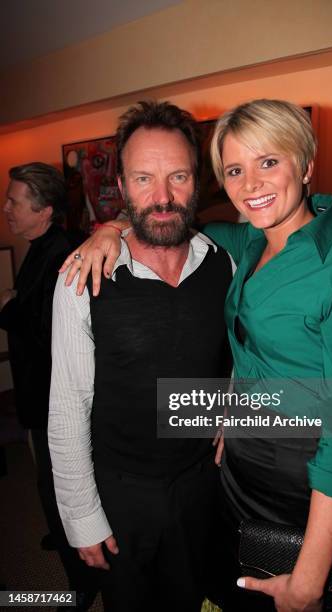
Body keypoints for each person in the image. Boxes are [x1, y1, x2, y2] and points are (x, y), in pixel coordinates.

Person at [62, 99, 332, 611]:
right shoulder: (243, 242)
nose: (252, 184)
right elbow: (163, 219)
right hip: (233, 477)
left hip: (304, 486)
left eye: (269, 162)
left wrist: (307, 582)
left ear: (305, 164)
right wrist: (108, 229)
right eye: (236, 169)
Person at [48, 101, 233, 612]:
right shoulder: (81, 278)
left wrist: (232, 408)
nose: (163, 197)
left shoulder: (224, 263)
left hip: (202, 484)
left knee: (194, 598)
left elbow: (236, 350)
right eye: (144, 179)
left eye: (178, 176)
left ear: (198, 181)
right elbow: (66, 408)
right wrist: (81, 517)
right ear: (123, 189)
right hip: (120, 495)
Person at [0, 162, 99, 610]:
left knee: (55, 483)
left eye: (14, 202)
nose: (6, 209)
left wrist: (7, 308)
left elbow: (47, 330)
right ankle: (63, 535)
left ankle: (82, 580)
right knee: (48, 480)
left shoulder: (61, 251)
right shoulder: (42, 245)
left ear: (44, 211)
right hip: (38, 390)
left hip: (52, 395)